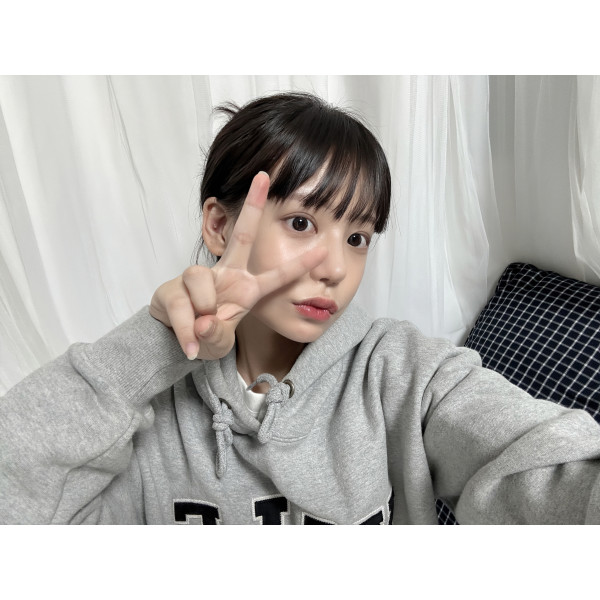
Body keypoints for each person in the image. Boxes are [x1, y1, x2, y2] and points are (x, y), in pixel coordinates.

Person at [2, 91, 600, 525]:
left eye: (357, 236)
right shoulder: (144, 410)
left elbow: (548, 473)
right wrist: (153, 347)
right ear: (219, 225)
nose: (336, 267)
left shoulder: (402, 375)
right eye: (300, 222)